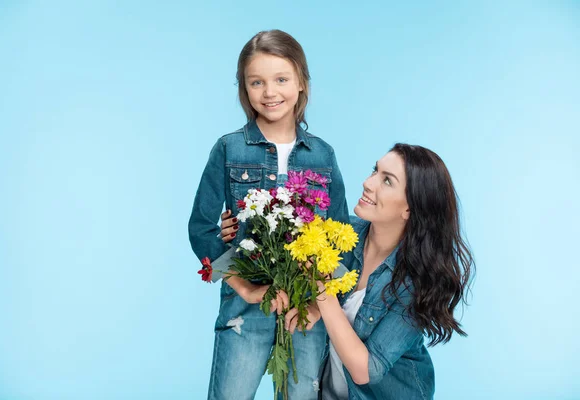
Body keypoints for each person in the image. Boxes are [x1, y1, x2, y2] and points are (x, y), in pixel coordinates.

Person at [221, 143, 475, 399]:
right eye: (375, 171)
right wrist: (236, 233)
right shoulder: (342, 232)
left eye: (387, 181)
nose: (368, 183)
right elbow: (241, 256)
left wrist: (321, 289)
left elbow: (366, 370)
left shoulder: (416, 283)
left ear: (409, 208)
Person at [188, 29, 349, 400]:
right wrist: (244, 286)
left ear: (302, 84)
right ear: (244, 89)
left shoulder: (322, 156)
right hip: (245, 310)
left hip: (304, 312)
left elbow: (341, 236)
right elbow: (201, 226)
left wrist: (317, 307)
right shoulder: (229, 148)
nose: (269, 92)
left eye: (281, 79)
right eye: (256, 82)